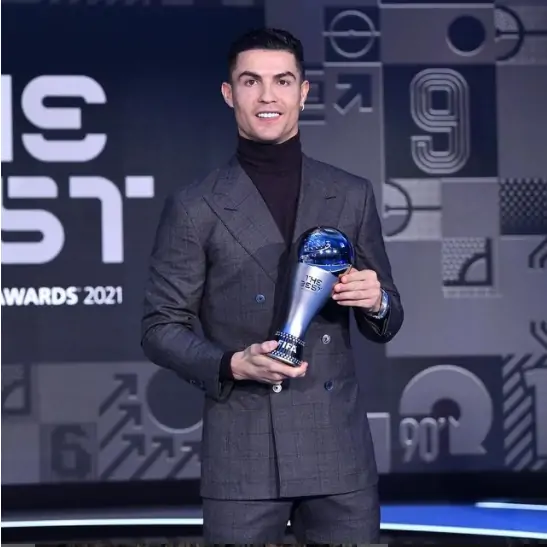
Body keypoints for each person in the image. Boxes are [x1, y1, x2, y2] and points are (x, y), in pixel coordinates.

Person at [141, 27, 404, 544]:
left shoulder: (350, 194)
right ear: (229, 93)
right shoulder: (195, 206)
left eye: (282, 81)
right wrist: (231, 364)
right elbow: (159, 328)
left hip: (338, 452)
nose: (268, 96)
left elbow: (388, 319)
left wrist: (376, 301)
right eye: (251, 81)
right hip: (243, 452)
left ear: (303, 92)